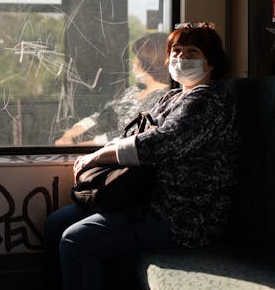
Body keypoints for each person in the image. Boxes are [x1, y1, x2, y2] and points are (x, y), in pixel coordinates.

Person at [44, 22, 239, 290]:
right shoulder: (172, 98)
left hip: (183, 216)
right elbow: (133, 132)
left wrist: (97, 158)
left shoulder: (208, 101)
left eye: (192, 51)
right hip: (147, 199)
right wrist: (99, 148)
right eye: (177, 50)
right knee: (56, 224)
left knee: (75, 240)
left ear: (212, 62)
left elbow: (158, 144)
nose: (181, 57)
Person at [55, 33, 169, 146]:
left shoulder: (165, 99)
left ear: (150, 61)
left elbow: (131, 135)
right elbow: (104, 118)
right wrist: (69, 135)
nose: (133, 62)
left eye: (137, 57)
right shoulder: (133, 91)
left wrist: (82, 146)